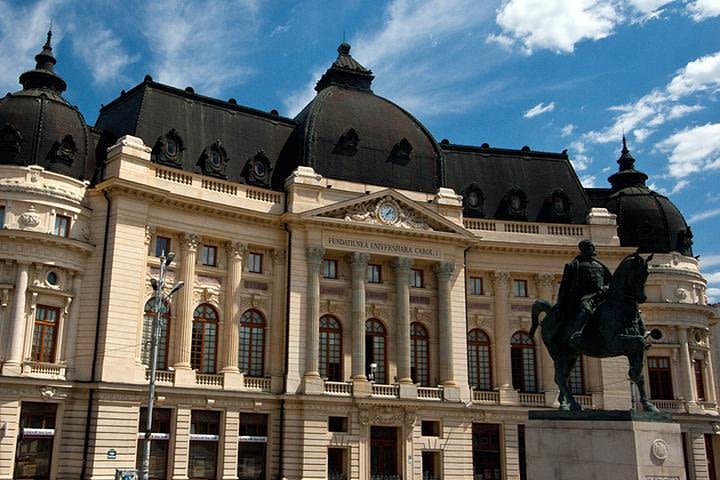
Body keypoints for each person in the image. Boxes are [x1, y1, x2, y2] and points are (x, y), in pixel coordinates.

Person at [557, 240, 612, 348]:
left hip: (601, 297)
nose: (592, 249)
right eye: (589, 247)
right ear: (583, 249)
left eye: (592, 246)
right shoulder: (575, 266)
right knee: (586, 309)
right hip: (585, 297)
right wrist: (560, 304)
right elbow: (565, 286)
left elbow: (611, 282)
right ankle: (576, 334)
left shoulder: (600, 265)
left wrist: (606, 287)